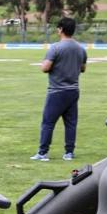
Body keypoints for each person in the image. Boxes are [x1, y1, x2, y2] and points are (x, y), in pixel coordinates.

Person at [32, 16, 87, 161]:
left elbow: (45, 68)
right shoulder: (81, 49)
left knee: (48, 123)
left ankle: (43, 152)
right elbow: (83, 68)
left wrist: (43, 64)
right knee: (70, 123)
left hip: (57, 91)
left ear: (61, 29)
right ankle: (69, 152)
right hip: (73, 90)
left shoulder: (55, 47)